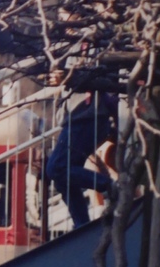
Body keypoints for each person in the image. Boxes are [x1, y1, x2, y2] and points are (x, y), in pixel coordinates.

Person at [45, 91, 118, 228]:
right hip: (79, 117)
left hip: (86, 117)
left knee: (56, 168)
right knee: (63, 179)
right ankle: (81, 224)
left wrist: (64, 74)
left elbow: (88, 74)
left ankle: (109, 185)